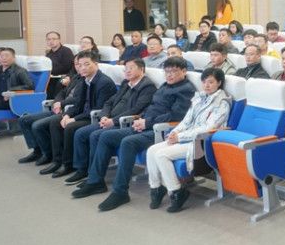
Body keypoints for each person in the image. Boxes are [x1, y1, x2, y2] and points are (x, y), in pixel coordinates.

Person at [72, 57, 195, 211]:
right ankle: (95, 181)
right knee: (104, 136)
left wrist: (147, 122)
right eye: (167, 71)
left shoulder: (186, 90)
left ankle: (120, 192)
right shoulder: (165, 86)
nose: (169, 75)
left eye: (174, 71)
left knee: (128, 142)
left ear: (184, 71)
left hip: (163, 131)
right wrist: (140, 118)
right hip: (146, 124)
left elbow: (176, 116)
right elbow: (152, 107)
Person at [147, 67, 230, 213]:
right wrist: (175, 132)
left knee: (161, 155)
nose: (206, 85)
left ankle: (177, 192)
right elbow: (186, 121)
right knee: (151, 150)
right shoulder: (199, 98)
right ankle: (157, 188)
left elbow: (208, 128)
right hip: (185, 138)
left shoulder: (222, 103)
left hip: (200, 143)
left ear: (219, 83)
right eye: (204, 82)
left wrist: (180, 137)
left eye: (211, 82)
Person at [65, 58, 157, 185]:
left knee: (95, 135)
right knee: (80, 133)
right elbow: (109, 102)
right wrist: (104, 116)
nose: (127, 71)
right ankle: (83, 171)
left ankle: (94, 177)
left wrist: (113, 121)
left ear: (141, 70)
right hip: (110, 119)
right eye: (125, 69)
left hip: (124, 123)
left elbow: (136, 109)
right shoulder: (126, 83)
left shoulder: (147, 87)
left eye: (131, 68)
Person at [37, 51, 117, 177]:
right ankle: (58, 160)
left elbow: (98, 109)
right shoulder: (85, 80)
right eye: (80, 65)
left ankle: (69, 164)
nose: (82, 68)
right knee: (56, 122)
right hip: (83, 114)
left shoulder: (104, 82)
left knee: (70, 127)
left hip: (94, 117)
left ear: (96, 64)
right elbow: (78, 103)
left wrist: (74, 119)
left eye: (87, 64)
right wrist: (67, 115)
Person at [18, 57, 83, 164]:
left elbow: (78, 99)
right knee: (24, 120)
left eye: (82, 64)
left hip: (70, 111)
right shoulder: (76, 77)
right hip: (60, 108)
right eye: (76, 64)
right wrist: (57, 102)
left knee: (37, 126)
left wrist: (62, 103)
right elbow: (62, 92)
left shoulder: (87, 81)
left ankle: (48, 154)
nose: (79, 67)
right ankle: (37, 150)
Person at [44, 31, 74, 98]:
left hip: (65, 76)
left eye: (54, 39)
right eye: (48, 39)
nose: (51, 41)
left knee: (57, 83)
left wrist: (51, 71)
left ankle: (56, 101)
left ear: (59, 40)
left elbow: (66, 67)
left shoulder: (66, 51)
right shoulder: (49, 53)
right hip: (52, 77)